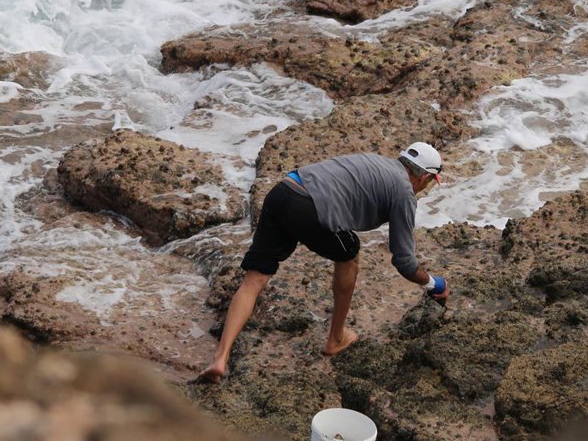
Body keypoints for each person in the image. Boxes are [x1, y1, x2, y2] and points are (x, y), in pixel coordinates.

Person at [192, 142, 451, 383]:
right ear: (424, 177)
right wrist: (434, 284)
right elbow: (404, 262)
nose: (425, 188)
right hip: (309, 207)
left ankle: (220, 359)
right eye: (429, 183)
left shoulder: (376, 162)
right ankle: (336, 338)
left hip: (283, 191)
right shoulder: (404, 192)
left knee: (254, 279)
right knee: (349, 253)